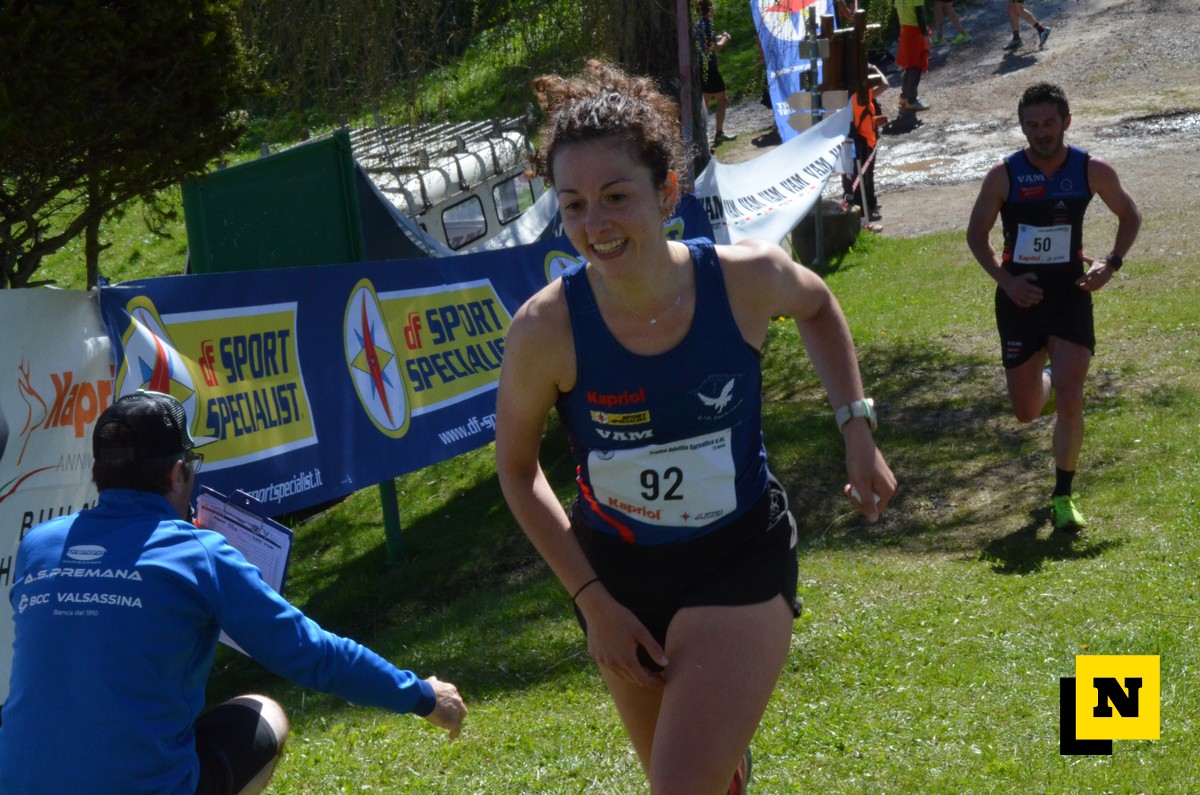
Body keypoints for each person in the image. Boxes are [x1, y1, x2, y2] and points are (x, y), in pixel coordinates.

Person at [494, 60, 896, 795]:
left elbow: (817, 306)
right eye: (574, 204)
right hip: (618, 580)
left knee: (677, 787)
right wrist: (592, 602)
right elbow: (517, 472)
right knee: (696, 779)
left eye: (617, 196)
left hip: (736, 555)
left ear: (667, 192)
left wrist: (856, 426)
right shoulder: (545, 331)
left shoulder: (743, 279)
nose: (596, 224)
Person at [0, 390, 467, 795]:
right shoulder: (199, 554)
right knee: (264, 712)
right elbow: (312, 654)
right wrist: (423, 696)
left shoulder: (38, 545)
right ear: (178, 474)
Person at [966, 83, 1141, 532]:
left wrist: (1110, 263)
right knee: (1026, 411)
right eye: (1032, 125)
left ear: (1066, 121)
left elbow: (1130, 215)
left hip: (1069, 293)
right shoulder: (1004, 175)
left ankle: (1063, 495)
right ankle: (1044, 377)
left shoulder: (1090, 169)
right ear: (1022, 127)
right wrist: (1007, 281)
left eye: (1049, 123)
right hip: (1019, 298)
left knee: (1071, 392)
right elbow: (976, 235)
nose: (1041, 132)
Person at [842, 63, 889, 222]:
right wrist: (876, 69)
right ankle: (867, 209)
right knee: (865, 176)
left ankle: (861, 204)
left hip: (855, 139)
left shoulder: (846, 97)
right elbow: (885, 84)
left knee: (852, 175)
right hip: (864, 140)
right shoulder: (862, 96)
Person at [695, 0, 736, 145]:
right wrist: (725, 38)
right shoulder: (708, 24)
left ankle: (703, 136)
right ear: (710, 9)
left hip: (701, 67)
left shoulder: (698, 24)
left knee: (705, 102)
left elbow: (707, 41)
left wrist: (719, 36)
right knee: (723, 100)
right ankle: (719, 133)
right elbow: (716, 48)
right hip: (710, 67)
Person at [894, 0, 931, 120]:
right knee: (916, 65)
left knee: (909, 64)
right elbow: (920, 14)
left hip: (904, 30)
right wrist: (926, 36)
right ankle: (911, 100)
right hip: (915, 32)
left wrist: (899, 34)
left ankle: (904, 97)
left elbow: (896, 16)